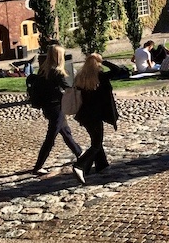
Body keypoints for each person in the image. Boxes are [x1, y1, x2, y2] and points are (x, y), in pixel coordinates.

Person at [71, 54, 125, 184]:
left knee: (95, 139)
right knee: (96, 143)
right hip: (96, 115)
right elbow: (118, 71)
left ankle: (102, 165)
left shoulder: (80, 77)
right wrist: (104, 61)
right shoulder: (101, 77)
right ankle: (80, 165)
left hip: (83, 114)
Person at [32, 44, 83, 175]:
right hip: (57, 107)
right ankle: (38, 165)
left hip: (47, 107)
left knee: (66, 132)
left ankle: (80, 154)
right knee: (51, 137)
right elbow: (68, 88)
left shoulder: (43, 70)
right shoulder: (57, 72)